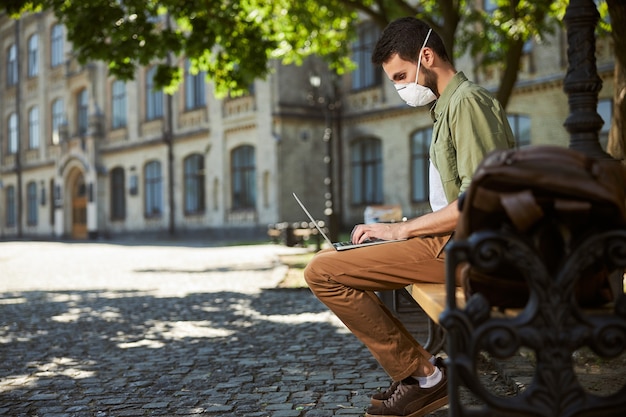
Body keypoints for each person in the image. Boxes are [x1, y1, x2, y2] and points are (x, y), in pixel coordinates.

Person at [303, 16, 515, 417]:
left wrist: (401, 229)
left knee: (322, 272)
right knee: (333, 266)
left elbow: (482, 201)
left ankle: (426, 377)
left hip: (470, 250)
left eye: (402, 75)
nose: (401, 88)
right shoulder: (447, 107)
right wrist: (402, 234)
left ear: (427, 56)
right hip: (450, 244)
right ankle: (422, 374)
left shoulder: (467, 102)